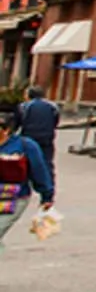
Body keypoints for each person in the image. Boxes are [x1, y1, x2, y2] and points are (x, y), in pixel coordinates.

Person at [0, 107, 55, 252]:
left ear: (6, 131)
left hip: (14, 197)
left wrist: (47, 196)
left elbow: (39, 170)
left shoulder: (25, 146)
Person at [17, 86, 59, 187]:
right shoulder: (53, 106)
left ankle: (25, 183)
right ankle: (49, 183)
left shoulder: (24, 106)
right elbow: (55, 121)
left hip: (29, 137)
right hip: (47, 138)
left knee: (26, 161)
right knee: (47, 161)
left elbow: (19, 121)